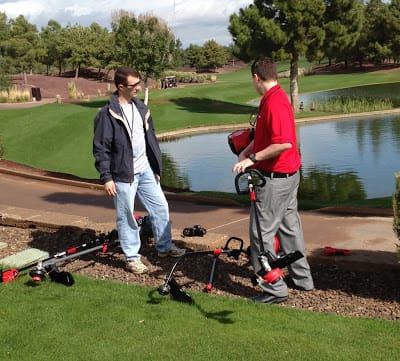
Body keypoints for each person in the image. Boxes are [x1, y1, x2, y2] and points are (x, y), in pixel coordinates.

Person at [232, 58, 314, 304]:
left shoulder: (275, 102)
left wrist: (251, 159)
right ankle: (302, 279)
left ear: (256, 77)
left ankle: (274, 289)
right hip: (288, 176)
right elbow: (267, 136)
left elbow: (284, 142)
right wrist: (247, 150)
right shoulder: (274, 98)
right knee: (290, 229)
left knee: (261, 235)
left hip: (275, 180)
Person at [93, 66, 185, 274]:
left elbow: (150, 139)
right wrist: (106, 177)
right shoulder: (107, 114)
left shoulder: (141, 108)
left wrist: (156, 166)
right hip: (123, 174)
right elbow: (101, 148)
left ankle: (164, 247)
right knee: (126, 216)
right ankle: (132, 258)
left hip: (145, 170)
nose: (139, 87)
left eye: (139, 83)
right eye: (134, 85)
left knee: (161, 207)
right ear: (120, 86)